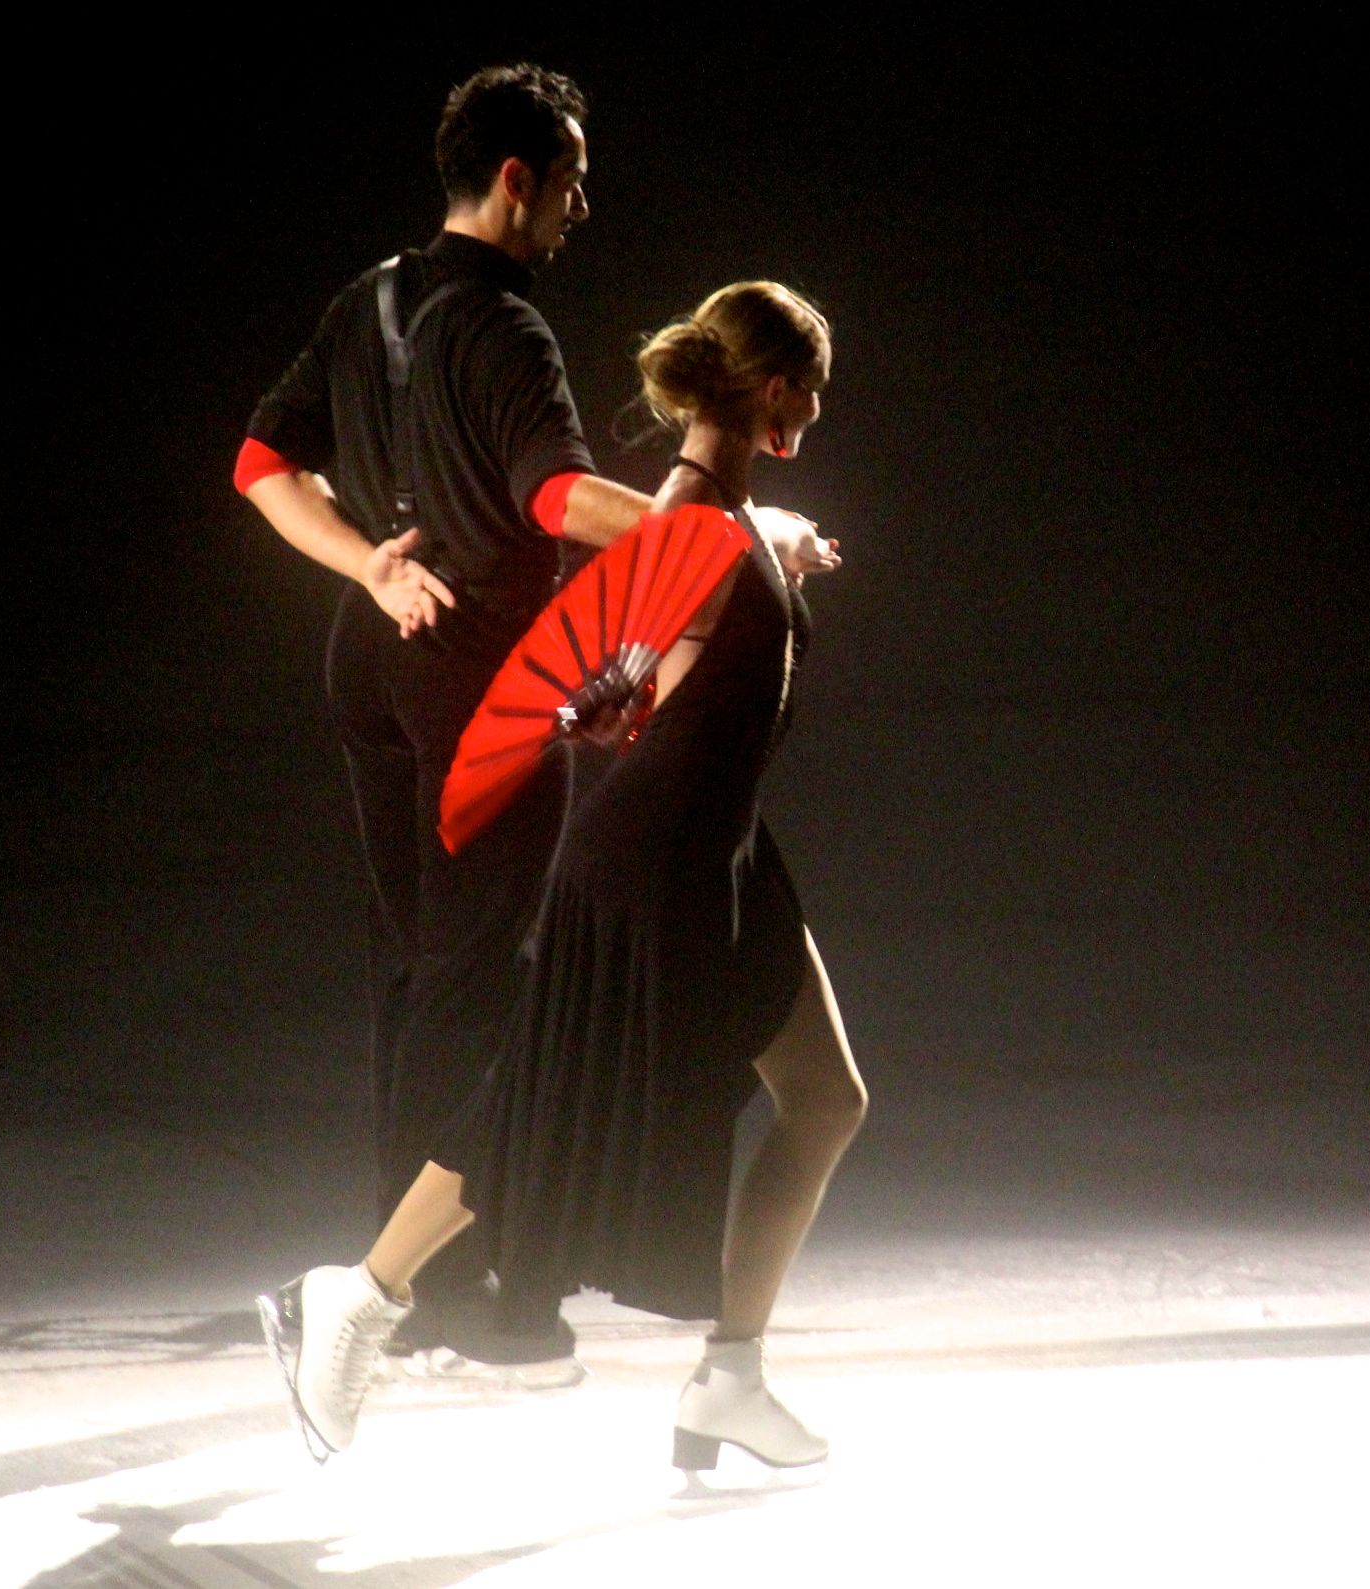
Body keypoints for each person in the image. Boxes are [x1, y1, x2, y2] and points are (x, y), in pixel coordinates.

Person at [265, 282, 866, 1472]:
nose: (814, 413)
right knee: (539, 1110)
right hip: (652, 858)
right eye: (814, 393)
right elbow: (626, 652)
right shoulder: (689, 523)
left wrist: (772, 545)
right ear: (779, 395)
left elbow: (677, 607)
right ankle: (359, 1296)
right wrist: (745, 559)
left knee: (825, 1098)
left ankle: (731, 1378)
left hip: (724, 846)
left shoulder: (711, 519)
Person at [237, 64, 664, 1378]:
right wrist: (713, 534)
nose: (581, 208)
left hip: (370, 666)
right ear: (518, 180)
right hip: (478, 685)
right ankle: (423, 1298)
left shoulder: (366, 298)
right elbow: (557, 501)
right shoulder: (506, 327)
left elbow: (260, 465)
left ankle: (402, 1286)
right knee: (477, 982)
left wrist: (366, 567)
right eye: (573, 182)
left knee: (420, 970)